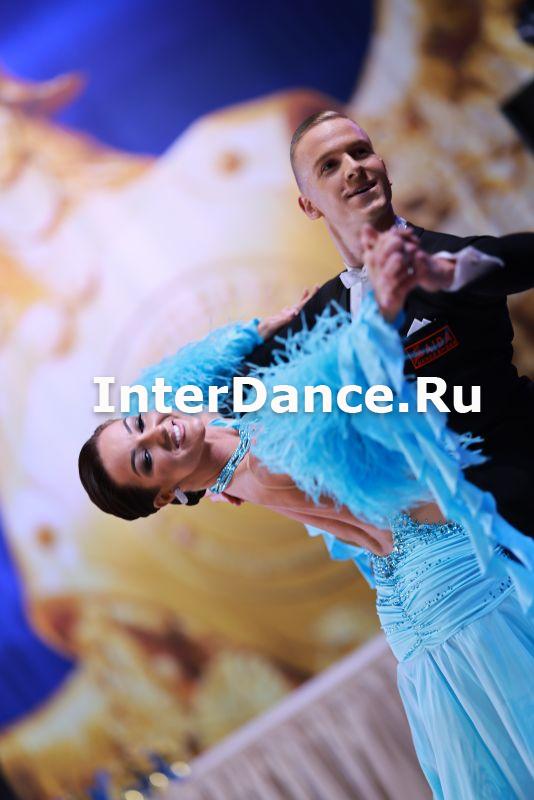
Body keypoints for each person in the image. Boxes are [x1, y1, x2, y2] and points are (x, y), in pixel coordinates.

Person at [79, 283, 534, 799]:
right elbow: (358, 373)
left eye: (139, 423)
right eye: (145, 459)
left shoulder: (219, 457)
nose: (156, 431)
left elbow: (157, 389)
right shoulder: (265, 454)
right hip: (449, 578)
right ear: (163, 496)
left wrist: (256, 331)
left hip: (415, 589)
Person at [247, 110, 534, 539]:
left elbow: (516, 259)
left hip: (517, 493)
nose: (353, 167)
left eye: (361, 152)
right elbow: (235, 395)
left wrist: (451, 272)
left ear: (383, 167)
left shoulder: (444, 261)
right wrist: (252, 334)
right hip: (427, 537)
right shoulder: (321, 315)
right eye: (330, 165)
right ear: (309, 206)